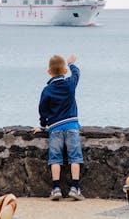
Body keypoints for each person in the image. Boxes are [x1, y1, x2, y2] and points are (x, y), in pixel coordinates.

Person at [33, 54, 84, 200]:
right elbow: (77, 73)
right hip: (72, 126)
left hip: (55, 128)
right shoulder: (69, 84)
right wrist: (71, 63)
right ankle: (75, 188)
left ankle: (56, 189)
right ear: (65, 71)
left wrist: (43, 126)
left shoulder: (47, 90)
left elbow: (43, 110)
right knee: (75, 158)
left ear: (49, 72)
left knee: (55, 159)